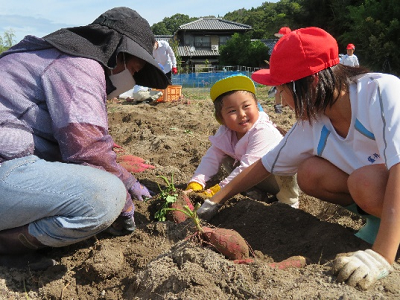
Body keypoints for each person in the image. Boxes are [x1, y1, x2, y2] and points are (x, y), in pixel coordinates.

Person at [197, 27, 400, 290]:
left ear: (311, 83)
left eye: (282, 89)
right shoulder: (313, 119)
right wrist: (215, 201)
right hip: (382, 195)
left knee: (366, 181)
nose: (280, 100)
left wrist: (381, 256)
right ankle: (380, 223)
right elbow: (265, 164)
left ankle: (389, 239)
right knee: (310, 173)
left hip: (383, 183)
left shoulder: (381, 92)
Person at [0, 7, 169, 269]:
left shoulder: (53, 57)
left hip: (9, 170)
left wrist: (120, 170)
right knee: (105, 195)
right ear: (118, 54)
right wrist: (124, 191)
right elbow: (87, 148)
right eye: (134, 70)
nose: (132, 79)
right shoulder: (80, 64)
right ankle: (7, 245)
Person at [186, 74, 299, 210]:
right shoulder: (226, 132)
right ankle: (255, 193)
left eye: (246, 106)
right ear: (221, 118)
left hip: (281, 180)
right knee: (225, 155)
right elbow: (212, 157)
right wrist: (196, 183)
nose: (241, 114)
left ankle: (289, 203)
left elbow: (247, 168)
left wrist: (218, 191)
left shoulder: (263, 131)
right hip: (255, 178)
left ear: (257, 107)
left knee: (280, 164)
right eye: (232, 111)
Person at [271, 26, 292, 114]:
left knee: (287, 90)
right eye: (280, 37)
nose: (281, 38)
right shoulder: (277, 45)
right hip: (280, 71)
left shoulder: (291, 45)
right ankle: (279, 108)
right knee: (278, 91)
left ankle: (286, 106)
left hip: (289, 70)